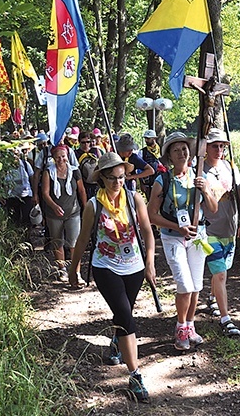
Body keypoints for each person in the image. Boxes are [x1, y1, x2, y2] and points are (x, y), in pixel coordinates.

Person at [68, 152, 156, 404]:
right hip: (106, 266)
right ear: (102, 179)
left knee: (123, 313)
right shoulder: (93, 206)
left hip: (135, 266)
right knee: (126, 316)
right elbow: (83, 239)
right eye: (112, 179)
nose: (118, 183)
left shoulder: (134, 198)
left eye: (122, 177)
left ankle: (117, 344)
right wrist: (73, 269)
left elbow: (148, 233)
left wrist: (150, 263)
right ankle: (135, 375)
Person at [147, 132, 218, 351]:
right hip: (173, 237)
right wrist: (178, 227)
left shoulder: (199, 177)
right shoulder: (163, 180)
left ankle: (190, 326)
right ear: (169, 154)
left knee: (196, 285)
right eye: (176, 150)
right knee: (184, 284)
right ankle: (180, 327)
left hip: (198, 237)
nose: (181, 153)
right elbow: (151, 214)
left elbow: (213, 209)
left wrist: (205, 190)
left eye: (184, 149)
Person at [203, 128, 240, 336]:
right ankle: (225, 319)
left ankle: (213, 298)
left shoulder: (231, 168)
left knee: (223, 271)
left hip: (229, 229)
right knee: (220, 274)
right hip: (209, 229)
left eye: (222, 146)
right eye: (215, 145)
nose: (219, 149)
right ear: (205, 146)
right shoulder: (198, 169)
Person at [41, 145, 87, 284]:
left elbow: (81, 191)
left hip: (73, 212)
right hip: (53, 214)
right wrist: (54, 206)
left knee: (74, 243)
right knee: (57, 242)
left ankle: (76, 272)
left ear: (68, 156)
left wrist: (86, 208)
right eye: (58, 157)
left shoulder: (75, 171)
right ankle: (62, 270)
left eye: (63, 156)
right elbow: (45, 193)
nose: (61, 159)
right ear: (53, 158)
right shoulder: (48, 172)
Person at [4, 146, 34, 228]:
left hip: (26, 195)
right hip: (11, 196)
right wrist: (1, 196)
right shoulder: (5, 168)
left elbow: (32, 179)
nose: (14, 156)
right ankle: (14, 238)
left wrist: (35, 195)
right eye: (12, 154)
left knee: (27, 219)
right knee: (13, 220)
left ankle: (26, 238)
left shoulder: (25, 165)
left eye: (16, 154)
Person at [76, 131, 101, 199]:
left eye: (88, 142)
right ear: (79, 142)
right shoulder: (76, 153)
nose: (86, 144)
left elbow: (101, 163)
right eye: (83, 142)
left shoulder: (95, 150)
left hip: (96, 182)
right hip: (83, 183)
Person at [139, 129, 162, 201]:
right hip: (148, 181)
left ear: (154, 138)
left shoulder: (161, 150)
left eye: (148, 138)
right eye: (145, 138)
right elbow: (139, 169)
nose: (146, 140)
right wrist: (141, 183)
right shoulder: (142, 152)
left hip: (160, 179)